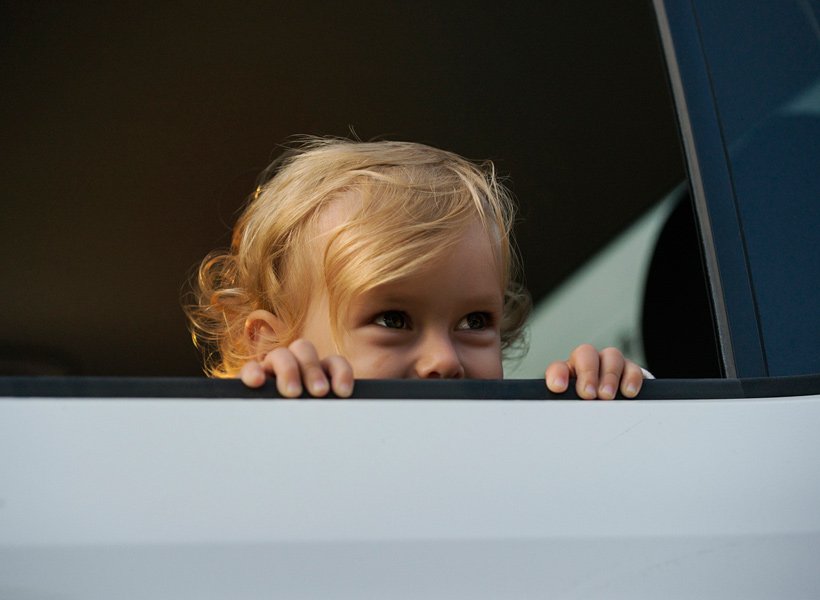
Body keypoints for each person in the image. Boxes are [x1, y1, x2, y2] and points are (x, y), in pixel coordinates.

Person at [185, 137, 647, 399]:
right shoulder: (257, 467)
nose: (444, 360)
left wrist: (611, 400)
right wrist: (269, 410)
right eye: (393, 319)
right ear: (270, 345)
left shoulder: (516, 450)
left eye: (474, 322)